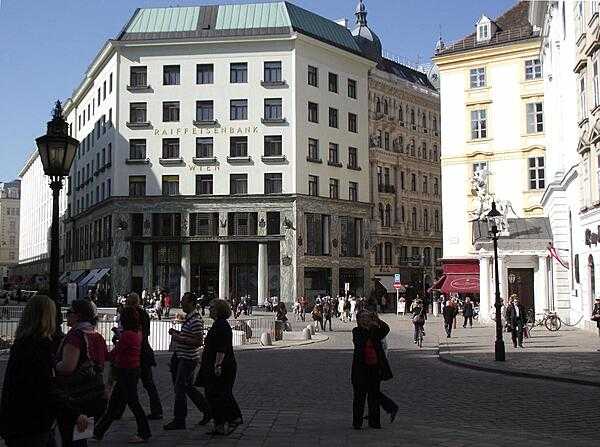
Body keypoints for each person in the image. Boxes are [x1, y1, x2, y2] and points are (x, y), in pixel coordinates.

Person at [0, 295, 70, 447]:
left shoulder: (22, 344)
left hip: (20, 422)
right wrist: (74, 413)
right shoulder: (39, 346)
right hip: (33, 423)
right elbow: (47, 386)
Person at [94, 307, 151, 443]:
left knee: (132, 403)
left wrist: (101, 350)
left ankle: (144, 432)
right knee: (115, 404)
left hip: (126, 372)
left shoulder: (126, 335)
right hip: (132, 370)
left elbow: (114, 353)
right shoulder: (137, 333)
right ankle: (98, 431)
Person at [55, 299, 108, 447]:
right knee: (81, 436)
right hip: (93, 395)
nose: (66, 315)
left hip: (75, 397)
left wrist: (53, 364)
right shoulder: (96, 335)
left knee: (70, 438)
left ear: (78, 315)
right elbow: (105, 360)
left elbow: (68, 366)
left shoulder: (75, 336)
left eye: (69, 312)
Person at [164, 292, 210, 430]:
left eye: (183, 301)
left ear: (191, 303)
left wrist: (178, 338)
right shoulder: (190, 318)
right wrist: (178, 334)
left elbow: (197, 341)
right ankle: (207, 411)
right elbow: (190, 336)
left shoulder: (195, 320)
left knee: (180, 388)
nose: (181, 304)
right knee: (187, 387)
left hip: (187, 359)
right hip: (182, 357)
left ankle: (179, 419)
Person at [197, 300, 243, 436]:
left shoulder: (221, 325)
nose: (209, 309)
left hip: (222, 366)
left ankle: (233, 418)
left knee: (219, 394)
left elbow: (221, 348)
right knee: (216, 394)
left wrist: (217, 365)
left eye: (211, 307)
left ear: (218, 310)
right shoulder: (219, 324)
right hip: (217, 365)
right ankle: (220, 424)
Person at [351, 311, 396, 430]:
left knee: (374, 397)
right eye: (362, 317)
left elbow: (386, 329)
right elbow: (360, 343)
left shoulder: (375, 330)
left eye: (367, 317)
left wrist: (377, 319)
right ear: (358, 320)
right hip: (360, 369)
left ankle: (374, 422)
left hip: (374, 368)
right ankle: (357, 422)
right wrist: (369, 327)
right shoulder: (357, 331)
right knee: (359, 397)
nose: (365, 319)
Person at [126, 293, 163, 420]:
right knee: (147, 383)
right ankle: (156, 410)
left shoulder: (134, 314)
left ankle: (117, 410)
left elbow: (141, 334)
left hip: (138, 353)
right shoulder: (143, 314)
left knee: (131, 384)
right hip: (143, 352)